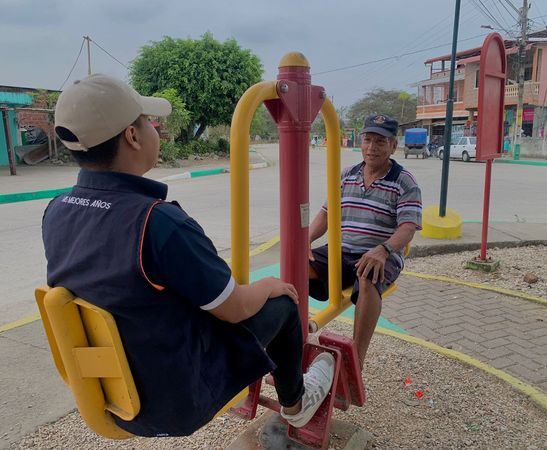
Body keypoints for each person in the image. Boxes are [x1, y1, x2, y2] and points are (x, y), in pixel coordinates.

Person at [42, 74, 334, 437]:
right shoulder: (158, 223)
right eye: (148, 122)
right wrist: (268, 285)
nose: (155, 130)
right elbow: (234, 307)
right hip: (175, 403)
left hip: (108, 395)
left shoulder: (56, 210)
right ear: (132, 136)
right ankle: (297, 404)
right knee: (283, 305)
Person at [308, 114, 422, 368]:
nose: (372, 147)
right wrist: (306, 240)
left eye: (380, 141)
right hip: (342, 250)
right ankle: (292, 341)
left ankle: (355, 362)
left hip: (381, 253)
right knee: (297, 266)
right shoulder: (347, 175)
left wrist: (383, 250)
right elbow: (326, 214)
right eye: (368, 140)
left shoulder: (404, 182)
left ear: (393, 146)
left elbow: (408, 228)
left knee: (369, 275)